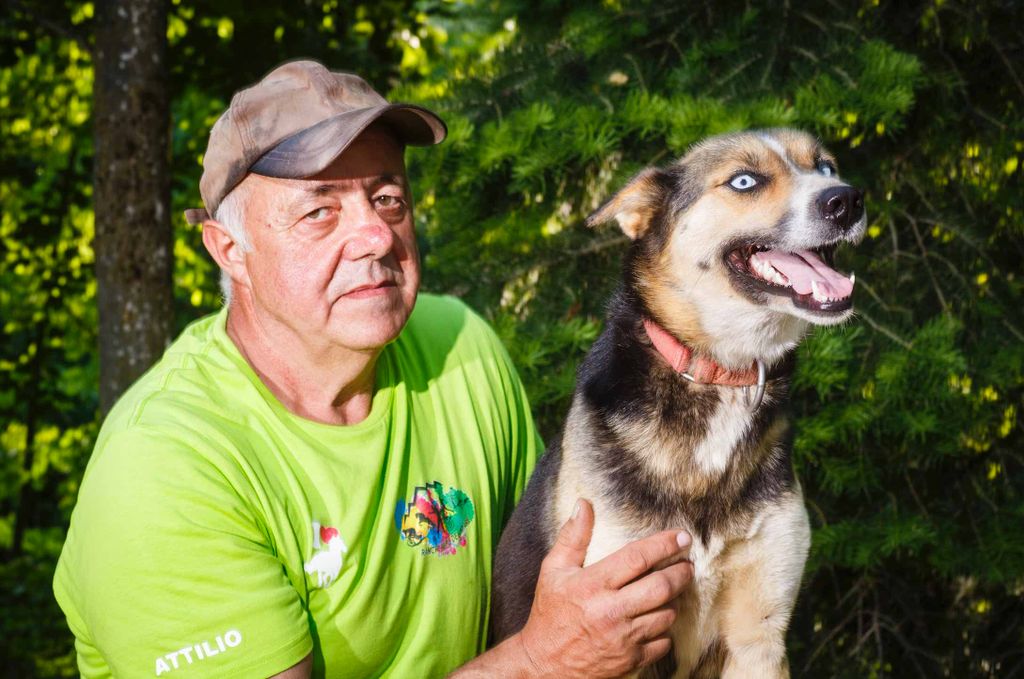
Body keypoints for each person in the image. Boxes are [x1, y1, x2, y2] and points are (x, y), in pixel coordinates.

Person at [53, 60, 694, 678]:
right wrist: (537, 665)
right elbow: (552, 648)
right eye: (319, 211)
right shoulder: (166, 465)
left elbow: (551, 583)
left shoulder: (459, 347)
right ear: (230, 251)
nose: (377, 235)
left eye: (387, 198)